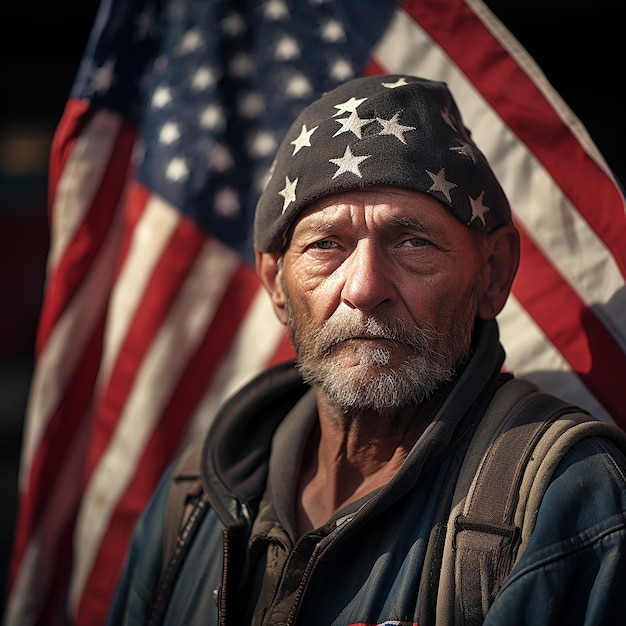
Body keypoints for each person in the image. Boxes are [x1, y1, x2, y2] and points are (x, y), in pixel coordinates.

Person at [107, 75, 626, 625]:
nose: (364, 287)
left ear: (493, 274)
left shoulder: (571, 503)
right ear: (276, 285)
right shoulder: (195, 502)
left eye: (412, 241)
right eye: (326, 245)